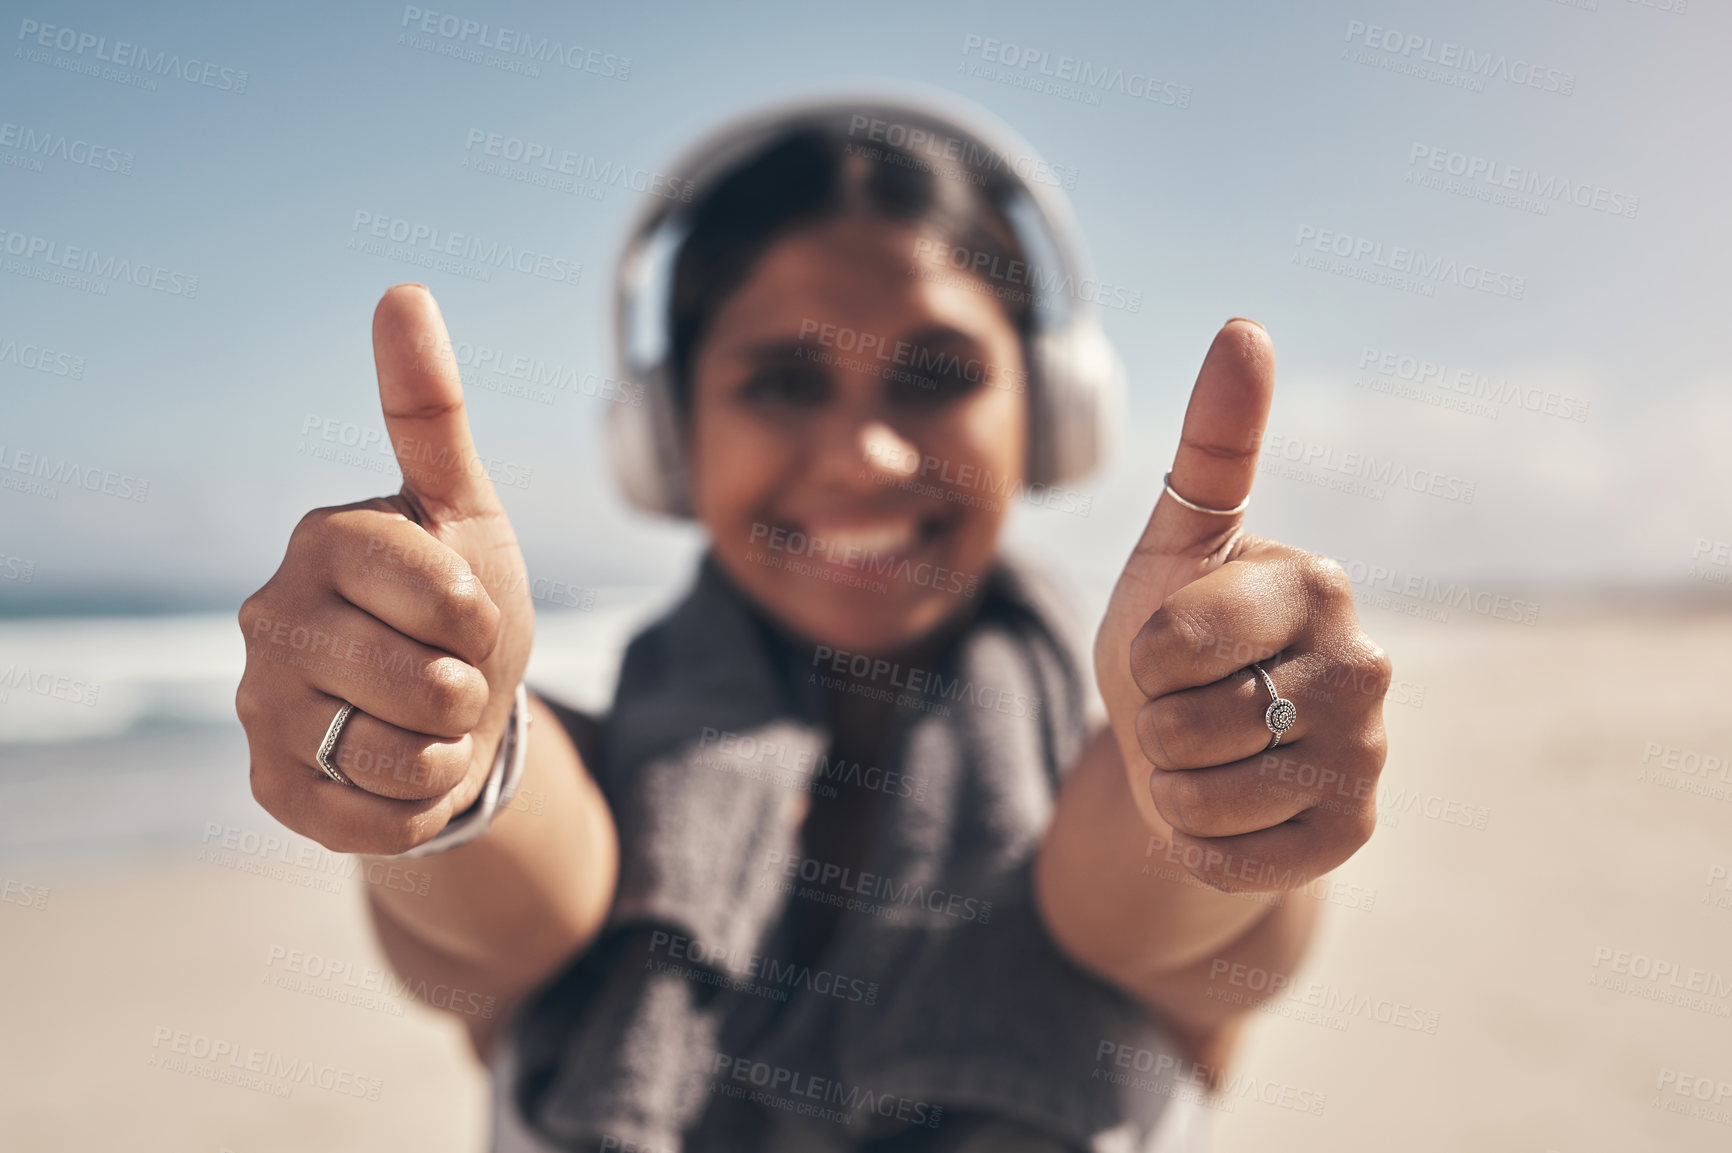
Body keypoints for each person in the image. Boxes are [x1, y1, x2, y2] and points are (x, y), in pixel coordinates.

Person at [235, 94, 1391, 1152]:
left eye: (936, 372)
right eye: (785, 380)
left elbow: (1150, 889)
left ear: (1048, 415)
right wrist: (447, 751)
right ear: (669, 432)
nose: (864, 456)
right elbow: (508, 874)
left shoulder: (1123, 776)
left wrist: (1219, 771)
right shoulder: (576, 781)